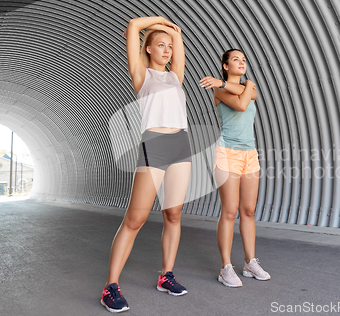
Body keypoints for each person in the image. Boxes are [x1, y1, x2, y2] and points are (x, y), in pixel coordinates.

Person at [101, 16, 191, 313]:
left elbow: (178, 40)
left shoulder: (176, 75)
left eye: (169, 47)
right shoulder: (141, 74)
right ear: (148, 49)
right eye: (161, 46)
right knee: (135, 219)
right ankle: (110, 287)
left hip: (181, 144)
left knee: (174, 215)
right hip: (154, 144)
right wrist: (162, 22)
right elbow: (133, 25)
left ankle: (166, 275)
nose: (167, 50)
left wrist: (172, 32)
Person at [200, 49, 271, 288]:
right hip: (227, 153)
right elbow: (242, 104)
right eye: (235, 60)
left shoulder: (240, 85)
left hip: (250, 154)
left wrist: (244, 84)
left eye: (243, 60)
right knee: (229, 211)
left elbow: (254, 94)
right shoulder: (220, 90)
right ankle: (226, 267)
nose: (241, 62)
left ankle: (250, 262)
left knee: (248, 210)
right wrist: (241, 84)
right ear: (225, 65)